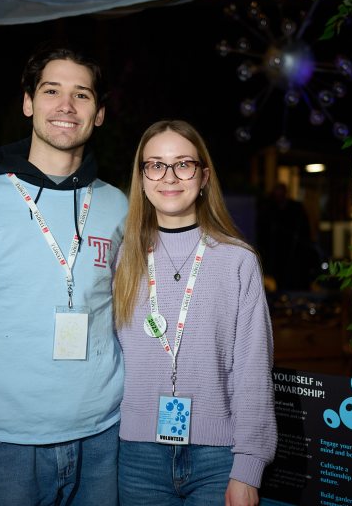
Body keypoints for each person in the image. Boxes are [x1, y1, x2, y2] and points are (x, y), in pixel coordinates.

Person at [0, 44, 127, 506]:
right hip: (8, 446)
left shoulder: (119, 206)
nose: (66, 106)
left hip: (105, 440)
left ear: (100, 114)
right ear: (29, 102)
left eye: (82, 95)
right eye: (51, 90)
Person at [113, 120, 277, 506]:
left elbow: (254, 369)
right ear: (142, 177)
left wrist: (248, 466)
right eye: (155, 165)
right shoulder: (125, 259)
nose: (169, 176)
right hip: (137, 457)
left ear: (203, 176)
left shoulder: (238, 260)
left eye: (183, 164)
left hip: (218, 458)